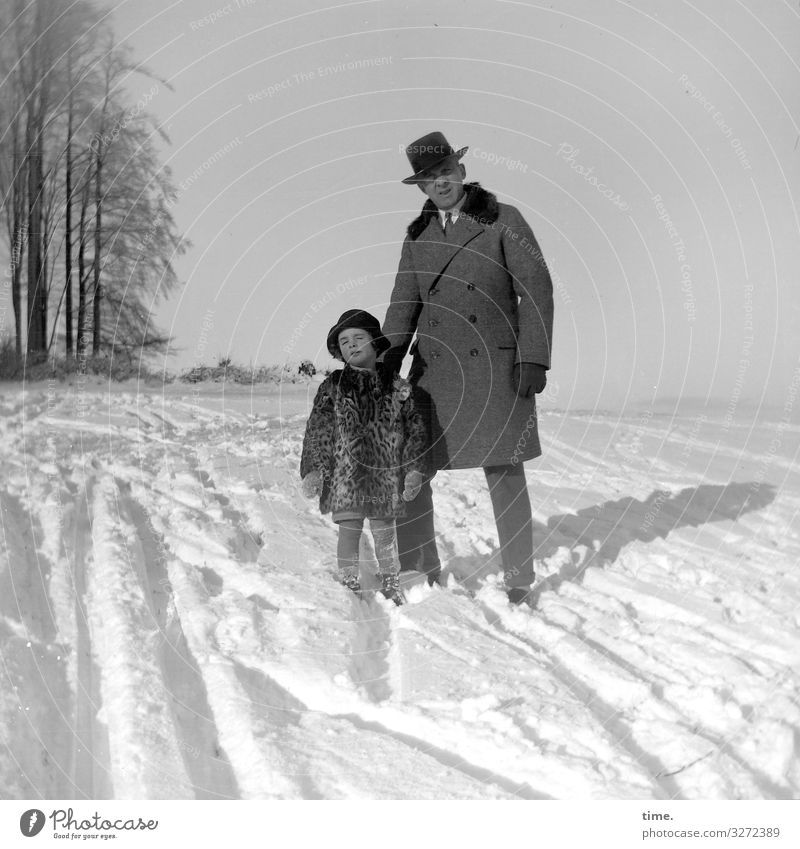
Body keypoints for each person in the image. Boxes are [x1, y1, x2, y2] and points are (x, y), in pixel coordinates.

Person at [382, 131, 554, 606]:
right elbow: (404, 303)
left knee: (505, 470)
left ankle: (519, 579)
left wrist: (533, 356)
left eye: (446, 173)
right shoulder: (417, 235)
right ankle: (420, 568)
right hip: (436, 373)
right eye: (429, 179)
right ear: (421, 187)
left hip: (497, 368)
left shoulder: (503, 219)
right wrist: (385, 361)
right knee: (412, 467)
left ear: (460, 170)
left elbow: (536, 290)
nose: (440, 184)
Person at [300, 309, 429, 605]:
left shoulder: (397, 387)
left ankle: (391, 582)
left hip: (385, 475)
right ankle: (348, 582)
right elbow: (319, 429)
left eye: (359, 338)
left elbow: (415, 431)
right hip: (346, 477)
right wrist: (315, 470)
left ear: (375, 344)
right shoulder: (333, 386)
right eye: (344, 341)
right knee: (350, 530)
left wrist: (413, 470)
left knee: (384, 533)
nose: (352, 345)